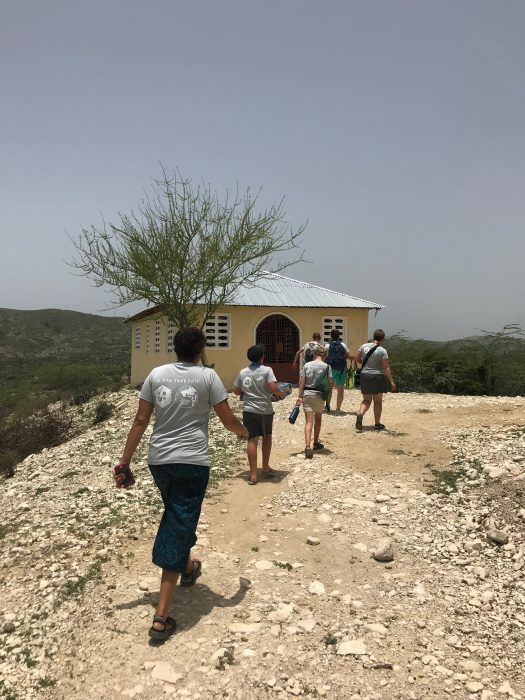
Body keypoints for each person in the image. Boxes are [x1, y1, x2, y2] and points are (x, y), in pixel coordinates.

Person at [114, 326, 248, 642]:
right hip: (192, 462)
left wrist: (124, 461)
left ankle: (187, 569)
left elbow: (140, 421)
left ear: (175, 348)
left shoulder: (155, 374)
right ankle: (161, 617)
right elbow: (228, 421)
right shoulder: (208, 377)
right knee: (177, 523)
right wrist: (244, 432)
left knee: (178, 514)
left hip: (159, 461)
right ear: (200, 349)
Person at [233, 344, 285, 485]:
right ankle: (266, 468)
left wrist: (247, 392)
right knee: (267, 437)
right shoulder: (267, 370)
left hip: (249, 410)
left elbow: (236, 391)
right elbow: (273, 388)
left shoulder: (243, 372)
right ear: (262, 357)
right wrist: (281, 394)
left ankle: (253, 475)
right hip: (265, 410)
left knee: (252, 440)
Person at [354, 328, 396, 432]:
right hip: (378, 376)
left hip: (365, 375)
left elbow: (357, 359)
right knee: (377, 401)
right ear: (382, 339)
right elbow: (385, 366)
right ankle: (377, 423)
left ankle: (360, 415)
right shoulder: (382, 350)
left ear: (374, 337)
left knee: (366, 400)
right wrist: (391, 381)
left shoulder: (363, 346)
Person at [295, 345, 333, 458]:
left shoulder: (307, 365)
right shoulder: (327, 367)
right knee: (318, 419)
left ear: (315, 354)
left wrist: (299, 396)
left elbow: (302, 381)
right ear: (325, 355)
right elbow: (330, 382)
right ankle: (316, 442)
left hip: (307, 394)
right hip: (319, 395)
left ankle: (307, 446)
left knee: (308, 422)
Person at [325, 328, 352, 413]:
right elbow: (349, 356)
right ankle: (338, 409)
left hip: (330, 369)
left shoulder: (327, 346)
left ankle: (328, 406)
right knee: (340, 390)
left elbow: (324, 357)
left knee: (330, 388)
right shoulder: (343, 345)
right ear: (339, 336)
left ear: (331, 336)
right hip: (341, 370)